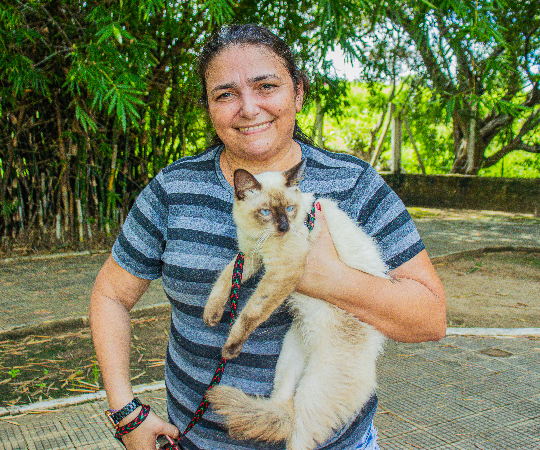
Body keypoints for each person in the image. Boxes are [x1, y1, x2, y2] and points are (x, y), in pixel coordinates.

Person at [90, 24, 446, 450]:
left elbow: (430, 318)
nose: (248, 107)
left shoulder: (355, 184)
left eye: (266, 86)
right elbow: (110, 294)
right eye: (225, 94)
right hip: (194, 440)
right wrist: (127, 413)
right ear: (209, 108)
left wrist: (326, 277)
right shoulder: (173, 188)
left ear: (297, 92)